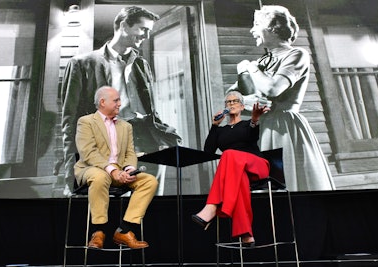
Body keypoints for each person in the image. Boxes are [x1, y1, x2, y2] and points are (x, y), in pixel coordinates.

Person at [60, 6, 181, 193]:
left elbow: (150, 110)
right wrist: (72, 169)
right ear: (124, 25)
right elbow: (71, 122)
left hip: (145, 142)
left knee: (146, 204)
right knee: (107, 205)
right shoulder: (82, 64)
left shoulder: (142, 64)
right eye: (143, 29)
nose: (146, 36)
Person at [228, 5, 335, 191]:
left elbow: (272, 88)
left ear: (273, 27)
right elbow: (230, 99)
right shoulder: (262, 62)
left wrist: (248, 67)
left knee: (287, 187)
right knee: (263, 192)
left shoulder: (296, 54)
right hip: (260, 130)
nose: (252, 30)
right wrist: (245, 101)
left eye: (256, 24)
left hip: (283, 128)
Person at [74, 86, 158, 249]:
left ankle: (124, 230)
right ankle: (98, 231)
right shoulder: (86, 122)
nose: (120, 103)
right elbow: (88, 153)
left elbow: (130, 153)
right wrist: (113, 170)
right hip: (93, 168)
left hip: (119, 171)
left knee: (149, 181)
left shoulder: (126, 126)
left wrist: (128, 170)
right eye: (116, 100)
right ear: (103, 102)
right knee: (99, 177)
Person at [192, 91, 270, 245]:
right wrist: (215, 126)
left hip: (256, 165)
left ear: (242, 106)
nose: (232, 104)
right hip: (237, 172)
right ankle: (246, 233)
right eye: (228, 102)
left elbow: (252, 136)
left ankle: (212, 207)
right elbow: (208, 151)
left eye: (235, 101)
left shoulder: (248, 124)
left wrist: (254, 119)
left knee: (227, 154)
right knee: (239, 181)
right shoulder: (221, 131)